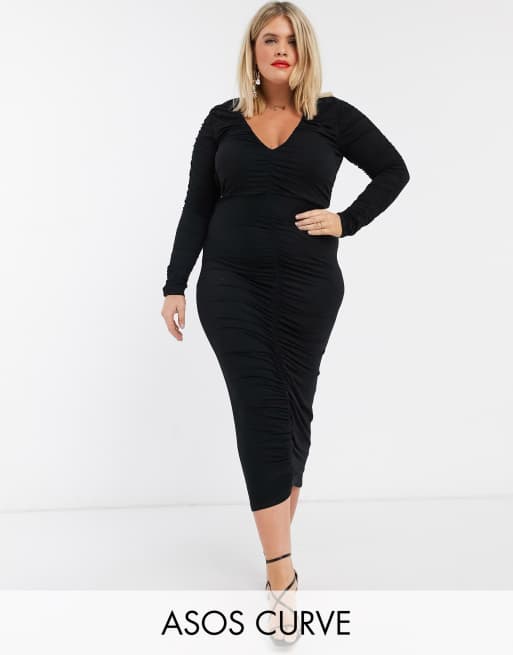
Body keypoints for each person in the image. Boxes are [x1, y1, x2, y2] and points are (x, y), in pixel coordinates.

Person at [161, 1, 410, 644]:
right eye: (269, 39)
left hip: (308, 289)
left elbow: (394, 171)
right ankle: (282, 573)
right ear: (252, 50)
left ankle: (277, 549)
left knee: (294, 414)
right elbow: (197, 205)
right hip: (230, 286)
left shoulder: (334, 117)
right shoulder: (222, 121)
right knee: (261, 412)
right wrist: (175, 283)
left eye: (292, 40)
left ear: (305, 52)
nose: (281, 49)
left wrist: (346, 220)